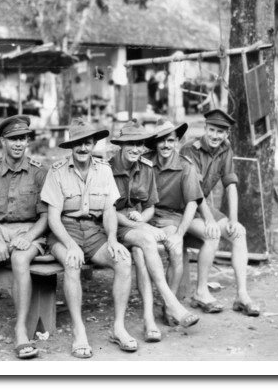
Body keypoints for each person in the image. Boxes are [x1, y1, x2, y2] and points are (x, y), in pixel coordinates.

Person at [40, 118, 136, 358]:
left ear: (94, 145)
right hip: (64, 231)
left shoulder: (103, 170)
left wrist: (113, 239)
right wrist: (71, 245)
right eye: (79, 143)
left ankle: (118, 327)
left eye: (88, 143)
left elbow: (109, 210)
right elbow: (53, 218)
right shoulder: (57, 171)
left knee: (123, 261)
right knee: (73, 262)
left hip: (94, 231)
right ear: (71, 145)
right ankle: (79, 330)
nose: (83, 148)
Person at [109, 119, 199, 340]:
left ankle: (149, 320)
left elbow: (150, 206)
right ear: (120, 145)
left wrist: (143, 220)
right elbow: (108, 212)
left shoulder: (145, 167)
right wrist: (142, 225)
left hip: (137, 228)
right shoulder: (107, 169)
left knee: (140, 252)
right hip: (113, 227)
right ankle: (171, 301)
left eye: (140, 144)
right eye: (130, 144)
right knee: (147, 242)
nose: (136, 149)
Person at [0, 115, 48, 359]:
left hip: (30, 230)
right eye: (13, 139)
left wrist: (30, 236)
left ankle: (21, 329)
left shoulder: (39, 172)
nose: (18, 144)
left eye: (23, 138)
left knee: (20, 260)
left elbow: (47, 216)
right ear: (3, 141)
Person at [180, 108, 261, 316]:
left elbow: (230, 184)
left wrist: (233, 219)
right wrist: (209, 219)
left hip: (203, 206)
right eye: (212, 130)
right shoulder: (191, 149)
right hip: (182, 208)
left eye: (221, 132)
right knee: (212, 233)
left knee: (238, 233)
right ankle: (200, 292)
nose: (216, 136)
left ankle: (242, 295)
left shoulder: (225, 148)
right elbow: (194, 190)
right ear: (205, 129)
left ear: (227, 134)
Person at [143, 118, 219, 307]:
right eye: (161, 140)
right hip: (146, 215)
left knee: (176, 248)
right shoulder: (145, 162)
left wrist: (179, 234)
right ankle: (158, 300)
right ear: (155, 143)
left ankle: (171, 302)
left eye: (170, 140)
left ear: (177, 142)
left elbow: (193, 203)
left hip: (172, 218)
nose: (166, 145)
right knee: (140, 249)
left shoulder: (186, 166)